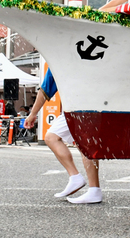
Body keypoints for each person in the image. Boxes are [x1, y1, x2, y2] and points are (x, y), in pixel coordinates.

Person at [24, 69, 102, 204]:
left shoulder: (60, 56)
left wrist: (33, 114)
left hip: (80, 107)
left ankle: (91, 188)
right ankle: (79, 180)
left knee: (82, 145)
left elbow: (45, 89)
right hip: (78, 107)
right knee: (53, 138)